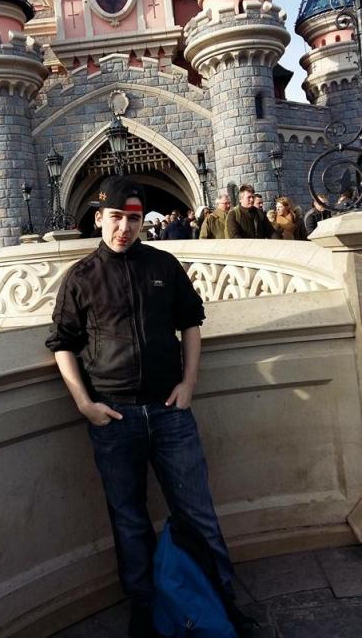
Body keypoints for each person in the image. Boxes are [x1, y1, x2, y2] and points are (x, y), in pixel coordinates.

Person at [45, 176, 269, 638]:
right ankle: (145, 612)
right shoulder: (81, 277)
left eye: (132, 219)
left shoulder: (163, 265)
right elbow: (62, 342)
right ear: (98, 219)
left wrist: (189, 383)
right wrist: (85, 403)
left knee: (198, 514)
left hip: (170, 414)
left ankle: (224, 605)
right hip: (114, 417)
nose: (123, 228)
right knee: (129, 520)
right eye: (115, 218)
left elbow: (191, 323)